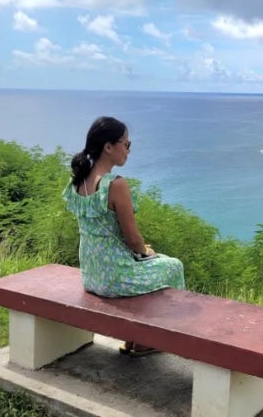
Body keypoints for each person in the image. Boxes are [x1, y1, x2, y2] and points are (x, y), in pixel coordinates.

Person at [62, 116, 185, 356]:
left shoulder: (78, 182)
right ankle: (149, 339)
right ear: (109, 147)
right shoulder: (115, 185)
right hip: (115, 278)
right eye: (126, 144)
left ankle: (135, 337)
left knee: (152, 265)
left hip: (92, 274)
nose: (128, 150)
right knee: (173, 266)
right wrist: (146, 252)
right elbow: (133, 240)